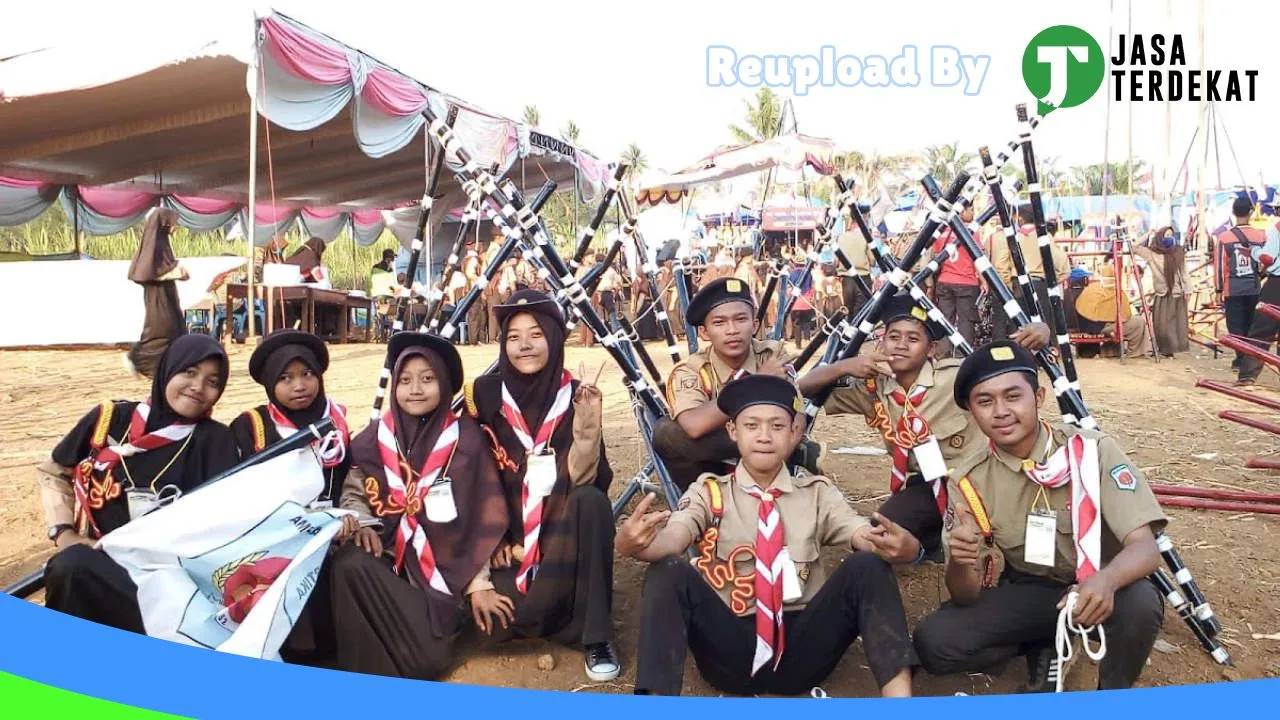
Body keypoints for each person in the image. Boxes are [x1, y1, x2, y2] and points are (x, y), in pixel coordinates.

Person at [620, 374, 920, 697]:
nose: (764, 436)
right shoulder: (710, 493)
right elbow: (675, 537)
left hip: (804, 646)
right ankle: (654, 708)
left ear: (795, 433)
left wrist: (906, 548)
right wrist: (634, 545)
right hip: (729, 648)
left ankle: (899, 707)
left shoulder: (816, 494)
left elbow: (859, 531)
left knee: (869, 566)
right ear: (733, 431)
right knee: (667, 571)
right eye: (752, 426)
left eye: (777, 426)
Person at [912, 340, 1166, 692]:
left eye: (1013, 396)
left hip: (1102, 585)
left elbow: (1146, 549)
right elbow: (965, 596)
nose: (1000, 411)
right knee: (934, 642)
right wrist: (959, 561)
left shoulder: (1090, 451)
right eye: (985, 401)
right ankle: (1042, 641)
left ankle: (1111, 692)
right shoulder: (968, 481)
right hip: (1035, 590)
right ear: (971, 412)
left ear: (1039, 398)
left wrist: (1106, 582)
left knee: (1140, 603)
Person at [797, 293, 1051, 560]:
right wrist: (844, 366)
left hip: (978, 481)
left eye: (913, 339)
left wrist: (1042, 332)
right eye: (893, 337)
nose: (902, 345)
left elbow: (1010, 362)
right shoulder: (873, 388)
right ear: (881, 343)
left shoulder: (954, 377)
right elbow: (801, 388)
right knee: (882, 530)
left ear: (931, 349)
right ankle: (927, 547)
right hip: (928, 486)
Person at [330, 332, 507, 680]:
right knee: (348, 564)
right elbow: (353, 495)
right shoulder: (372, 441)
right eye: (405, 380)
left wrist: (479, 583)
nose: (415, 389)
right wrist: (362, 522)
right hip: (394, 572)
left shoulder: (465, 441)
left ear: (443, 384)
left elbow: (481, 517)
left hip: (446, 581)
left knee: (430, 658)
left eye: (428, 379)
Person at [465, 290, 620, 682]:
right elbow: (468, 475)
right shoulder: (482, 396)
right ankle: (543, 611)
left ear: (553, 337)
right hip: (509, 549)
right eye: (513, 337)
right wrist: (492, 543)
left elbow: (585, 478)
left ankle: (596, 636)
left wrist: (587, 418)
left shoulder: (576, 396)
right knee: (486, 622)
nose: (524, 346)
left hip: (563, 543)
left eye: (535, 334)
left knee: (593, 503)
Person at [38, 335, 238, 632]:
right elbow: (54, 472)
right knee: (71, 566)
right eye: (190, 372)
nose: (198, 387)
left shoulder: (216, 440)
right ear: (167, 370)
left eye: (213, 381)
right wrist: (63, 530)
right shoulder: (110, 420)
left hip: (171, 582)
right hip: (102, 562)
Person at [652, 278, 822, 492]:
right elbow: (693, 426)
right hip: (708, 471)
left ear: (755, 325)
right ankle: (707, 506)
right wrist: (755, 383)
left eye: (740, 319)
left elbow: (796, 413)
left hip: (767, 461)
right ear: (704, 332)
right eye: (719, 323)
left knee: (776, 425)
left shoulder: (770, 354)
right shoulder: (692, 369)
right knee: (666, 432)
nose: (731, 330)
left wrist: (788, 442)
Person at [230, 330, 351, 506]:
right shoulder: (251, 427)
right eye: (285, 378)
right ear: (270, 383)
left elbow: (349, 484)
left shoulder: (335, 425)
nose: (299, 386)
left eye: (307, 374)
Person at [989, 204, 1070, 341]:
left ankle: (1020, 359)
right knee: (1040, 329)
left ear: (1020, 219)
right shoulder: (1044, 238)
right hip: (1039, 286)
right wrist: (1050, 281)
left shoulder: (1011, 237)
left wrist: (1008, 289)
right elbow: (1063, 267)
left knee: (1018, 328)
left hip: (1017, 286)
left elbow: (1001, 266)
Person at [125, 208, 189, 378]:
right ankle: (137, 359)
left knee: (175, 329)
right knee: (160, 329)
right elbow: (144, 272)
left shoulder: (162, 242)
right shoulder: (154, 244)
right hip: (157, 296)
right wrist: (173, 273)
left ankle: (168, 367)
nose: (176, 227)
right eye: (174, 223)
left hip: (166, 294)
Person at [1213, 197, 1264, 371]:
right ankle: (1249, 360)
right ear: (1251, 212)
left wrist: (1218, 288)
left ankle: (1241, 359)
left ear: (1234, 212)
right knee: (1252, 324)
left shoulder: (1224, 237)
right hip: (1254, 287)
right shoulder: (1261, 236)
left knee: (1235, 326)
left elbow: (1219, 266)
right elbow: (1265, 262)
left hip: (1232, 288)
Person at [931, 202, 983, 357]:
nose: (973, 213)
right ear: (962, 211)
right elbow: (978, 259)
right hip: (966, 283)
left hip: (944, 281)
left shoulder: (942, 233)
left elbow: (936, 255)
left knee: (945, 319)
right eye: (971, 209)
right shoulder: (971, 232)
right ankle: (963, 355)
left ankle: (943, 355)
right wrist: (984, 281)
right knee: (965, 322)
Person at [1133, 227, 1190, 357]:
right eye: (1166, 235)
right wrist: (1148, 233)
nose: (1169, 237)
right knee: (1161, 325)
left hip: (1176, 293)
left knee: (1176, 324)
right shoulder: (1152, 254)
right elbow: (1134, 247)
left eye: (1171, 235)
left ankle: (1171, 351)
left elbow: (1184, 273)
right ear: (1159, 237)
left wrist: (1188, 290)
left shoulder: (1178, 253)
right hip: (1161, 293)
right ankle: (1163, 349)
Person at [1236, 219, 1280, 385]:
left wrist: (1254, 251)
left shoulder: (1277, 228)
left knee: (1262, 330)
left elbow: (1267, 257)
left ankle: (1248, 375)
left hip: (1277, 284)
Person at [1075, 264, 1149, 357]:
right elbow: (1125, 315)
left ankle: (1110, 351)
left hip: (1093, 326)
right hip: (1101, 327)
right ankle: (1134, 353)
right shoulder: (1115, 291)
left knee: (1129, 322)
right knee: (1139, 322)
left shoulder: (1091, 289)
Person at [463, 241, 490, 344]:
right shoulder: (473, 259)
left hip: (472, 290)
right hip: (474, 290)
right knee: (475, 315)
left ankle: (477, 339)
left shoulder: (467, 259)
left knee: (478, 315)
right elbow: (470, 274)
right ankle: (474, 340)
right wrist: (481, 280)